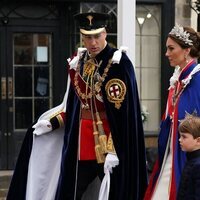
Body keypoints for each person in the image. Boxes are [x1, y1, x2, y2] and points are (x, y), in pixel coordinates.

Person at [7, 12, 147, 200]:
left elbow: (124, 115)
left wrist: (114, 149)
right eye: (88, 37)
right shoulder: (78, 62)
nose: (93, 42)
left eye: (97, 36)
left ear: (105, 33)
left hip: (111, 143)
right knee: (71, 191)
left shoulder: (118, 63)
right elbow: (73, 106)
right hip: (83, 142)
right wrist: (52, 123)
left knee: (116, 192)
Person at [144, 24, 200, 200]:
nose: (166, 53)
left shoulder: (197, 80)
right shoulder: (178, 80)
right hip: (171, 154)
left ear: (186, 50)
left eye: (171, 48)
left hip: (189, 160)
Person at [177, 112, 200, 200]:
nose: (180, 140)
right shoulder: (191, 160)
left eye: (184, 137)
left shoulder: (198, 165)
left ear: (198, 141)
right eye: (180, 136)